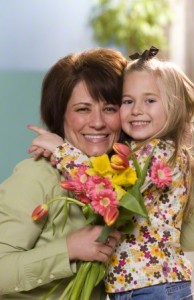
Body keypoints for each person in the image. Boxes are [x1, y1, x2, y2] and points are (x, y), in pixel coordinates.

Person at [28, 47, 194, 299]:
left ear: (173, 107)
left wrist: (61, 150)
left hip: (153, 286)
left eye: (150, 100)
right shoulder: (142, 150)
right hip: (142, 285)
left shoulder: (158, 152)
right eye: (128, 101)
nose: (136, 110)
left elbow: (106, 192)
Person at [0, 48, 127, 299]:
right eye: (83, 109)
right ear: (60, 115)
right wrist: (68, 249)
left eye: (110, 108)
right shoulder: (36, 177)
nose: (98, 122)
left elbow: (190, 240)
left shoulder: (124, 181)